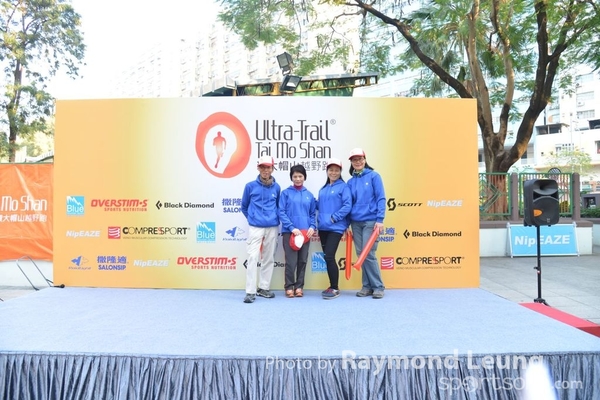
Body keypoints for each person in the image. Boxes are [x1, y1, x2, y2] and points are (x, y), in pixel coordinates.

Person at [347, 148, 386, 299]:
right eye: (354, 160)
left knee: (368, 253)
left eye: (360, 159)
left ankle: (378, 286)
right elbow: (348, 204)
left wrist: (380, 220)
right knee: (361, 254)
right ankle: (367, 286)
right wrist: (347, 224)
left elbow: (381, 198)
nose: (357, 162)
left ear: (364, 159)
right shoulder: (350, 182)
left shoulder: (374, 176)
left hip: (371, 221)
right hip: (355, 222)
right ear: (351, 162)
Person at [241, 156, 280, 304]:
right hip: (255, 227)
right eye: (262, 167)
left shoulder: (277, 187)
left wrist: (273, 218)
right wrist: (252, 219)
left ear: (272, 168)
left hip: (272, 226)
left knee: (268, 257)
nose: (265, 170)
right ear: (258, 168)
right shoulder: (250, 186)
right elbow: (244, 206)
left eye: (268, 167)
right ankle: (250, 291)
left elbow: (278, 206)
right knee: (252, 257)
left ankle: (264, 288)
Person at [279, 164, 316, 298]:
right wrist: (291, 228)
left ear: (304, 177)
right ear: (291, 178)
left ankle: (299, 287)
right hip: (290, 232)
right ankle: (289, 286)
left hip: (305, 233)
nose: (298, 179)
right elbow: (281, 212)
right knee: (291, 262)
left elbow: (312, 214)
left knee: (302, 261)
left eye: (300, 176)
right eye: (295, 176)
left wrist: (312, 226)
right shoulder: (285, 193)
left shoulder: (309, 195)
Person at [317, 158, 352, 300]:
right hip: (323, 228)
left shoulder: (344, 187)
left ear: (340, 171)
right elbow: (319, 205)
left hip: (336, 228)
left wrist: (334, 218)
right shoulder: (323, 188)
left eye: (336, 170)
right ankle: (332, 286)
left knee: (329, 256)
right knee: (327, 257)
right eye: (331, 170)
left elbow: (347, 206)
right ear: (327, 171)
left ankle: (335, 288)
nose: (333, 172)